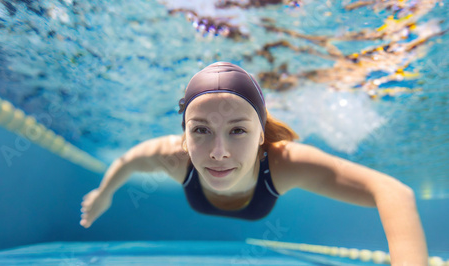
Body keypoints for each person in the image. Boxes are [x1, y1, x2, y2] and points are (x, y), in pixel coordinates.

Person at [80, 62, 428, 264]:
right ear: (184, 135)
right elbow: (125, 163)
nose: (218, 151)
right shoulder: (173, 156)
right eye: (201, 130)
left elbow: (393, 191)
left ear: (262, 134)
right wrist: (104, 193)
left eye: (238, 131)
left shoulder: (285, 163)